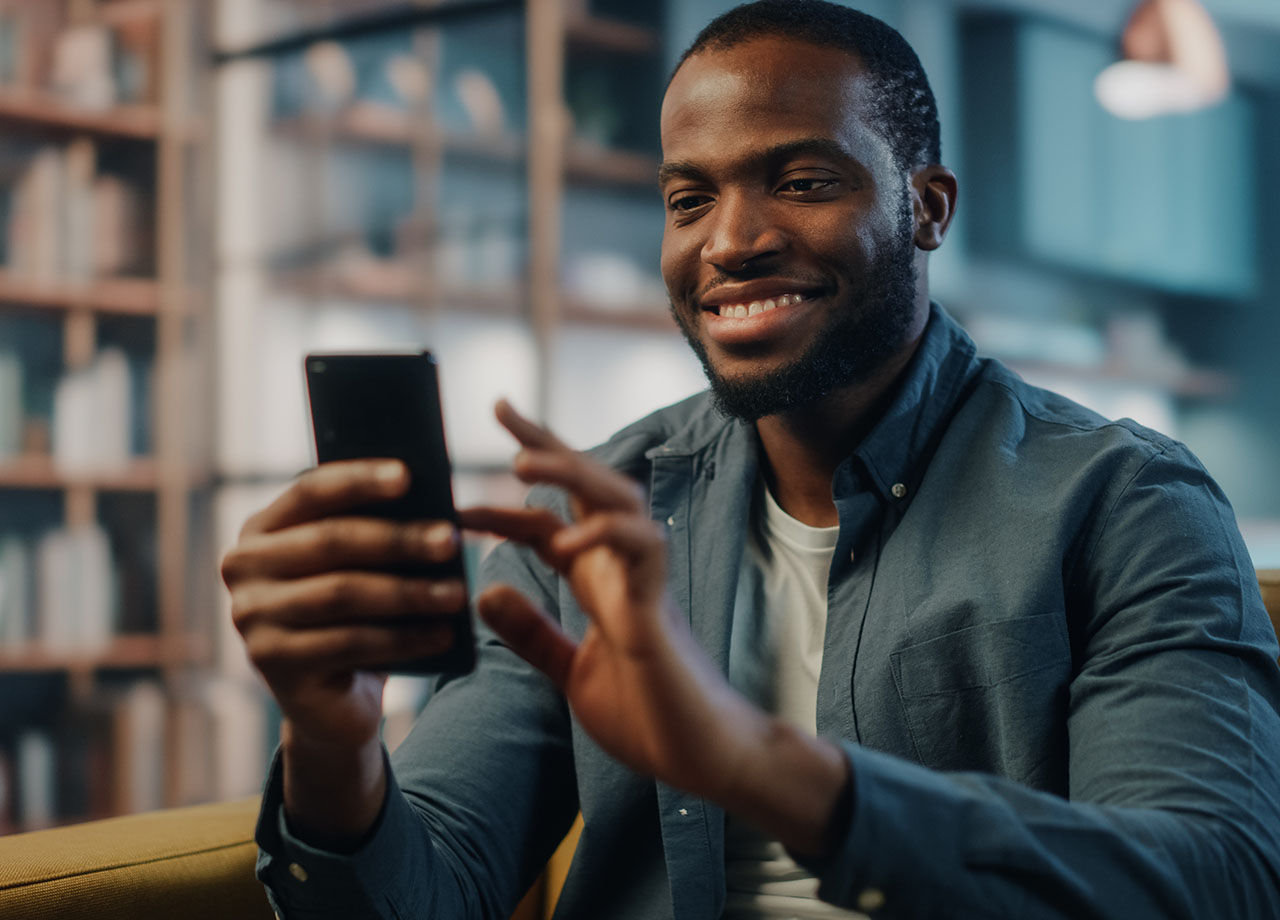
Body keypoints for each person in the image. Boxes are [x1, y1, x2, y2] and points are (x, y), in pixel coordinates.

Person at [220, 2, 1280, 917]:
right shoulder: (589, 519)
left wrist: (757, 763)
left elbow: (1217, 879)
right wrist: (331, 741)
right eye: (688, 199)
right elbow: (432, 889)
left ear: (925, 206)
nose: (728, 240)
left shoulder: (1123, 501)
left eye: (802, 180)